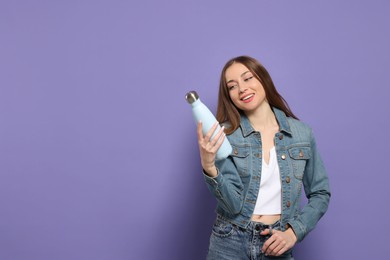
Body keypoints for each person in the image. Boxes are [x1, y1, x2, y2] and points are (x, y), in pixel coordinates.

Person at [197, 56, 331, 259]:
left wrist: (294, 232)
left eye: (248, 78)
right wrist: (209, 165)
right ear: (229, 95)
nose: (242, 89)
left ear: (263, 79)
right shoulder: (225, 136)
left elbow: (320, 193)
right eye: (232, 86)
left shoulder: (302, 133)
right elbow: (232, 205)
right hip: (229, 239)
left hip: (275, 242)